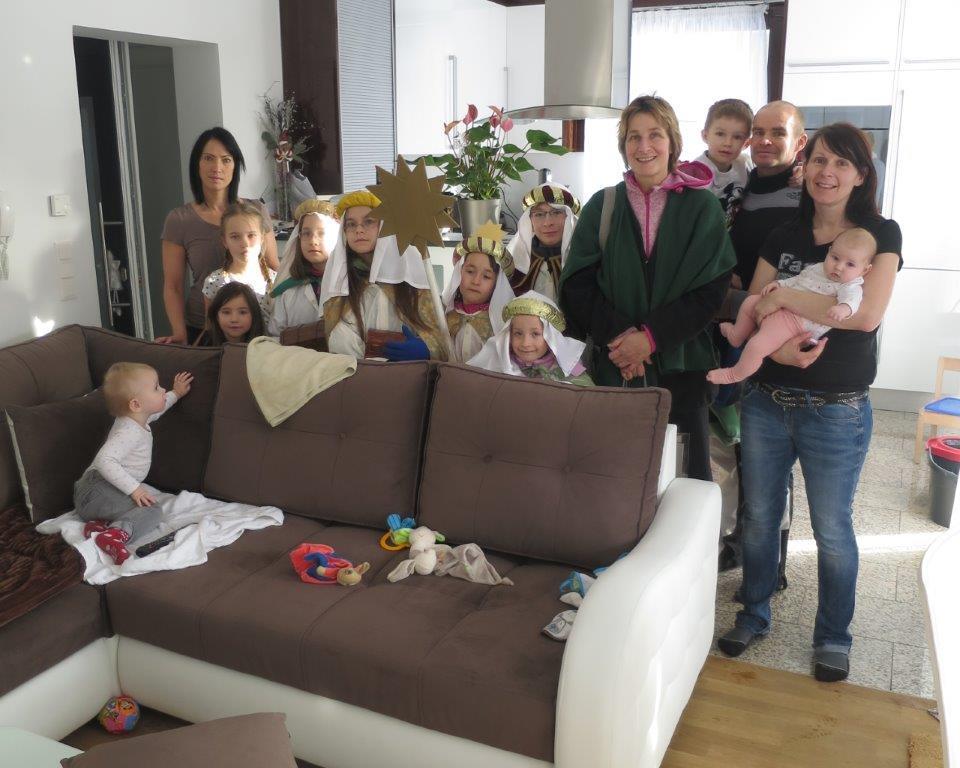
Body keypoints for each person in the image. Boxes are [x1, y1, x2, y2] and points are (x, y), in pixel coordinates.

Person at [717, 123, 903, 683]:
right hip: (767, 398)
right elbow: (756, 303)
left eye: (842, 163)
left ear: (861, 175)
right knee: (758, 517)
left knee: (832, 529)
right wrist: (779, 342)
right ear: (806, 166)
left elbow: (864, 315)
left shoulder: (879, 236)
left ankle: (833, 637)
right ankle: (754, 613)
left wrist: (789, 296)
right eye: (820, 160)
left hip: (837, 408)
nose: (828, 172)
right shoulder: (784, 232)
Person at [560, 95, 735, 481]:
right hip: (616, 367)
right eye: (633, 137)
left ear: (673, 142)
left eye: (655, 135)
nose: (644, 146)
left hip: (683, 370)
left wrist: (651, 339)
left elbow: (710, 290)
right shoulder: (603, 206)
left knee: (683, 483)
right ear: (623, 146)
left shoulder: (702, 208)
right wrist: (624, 339)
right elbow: (577, 285)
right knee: (614, 478)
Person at [707, 228, 876, 384]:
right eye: (835, 258)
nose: (838, 267)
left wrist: (843, 309)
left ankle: (734, 374)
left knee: (757, 345)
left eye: (850, 264)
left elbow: (852, 301)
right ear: (829, 251)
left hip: (796, 323)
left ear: (865, 270)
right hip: (782, 308)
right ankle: (737, 335)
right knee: (750, 302)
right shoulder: (818, 268)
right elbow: (798, 280)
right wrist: (779, 284)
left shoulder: (850, 286)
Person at [157, 127, 279, 344]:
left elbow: (273, 266)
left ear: (235, 165)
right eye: (208, 158)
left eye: (226, 160)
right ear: (197, 164)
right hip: (203, 328)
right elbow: (173, 286)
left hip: (258, 328)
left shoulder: (255, 211)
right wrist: (180, 334)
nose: (217, 167)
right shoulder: (179, 219)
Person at [75, 363, 194, 564]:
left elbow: (157, 409)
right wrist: (135, 490)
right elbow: (104, 460)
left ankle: (98, 524)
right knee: (151, 509)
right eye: (156, 388)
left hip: (94, 497)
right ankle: (115, 535)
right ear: (136, 405)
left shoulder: (137, 418)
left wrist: (176, 393)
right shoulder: (129, 431)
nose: (163, 390)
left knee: (139, 505)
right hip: (97, 488)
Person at [320, 190, 448, 361]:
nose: (359, 230)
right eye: (351, 224)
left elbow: (443, 341)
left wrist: (427, 349)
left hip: (409, 373)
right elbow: (332, 336)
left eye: (368, 222)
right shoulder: (339, 279)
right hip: (354, 372)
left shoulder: (410, 273)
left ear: (383, 226)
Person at [729, 101, 807, 291]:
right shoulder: (738, 183)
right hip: (723, 303)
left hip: (779, 305)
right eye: (758, 132)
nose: (765, 141)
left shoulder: (813, 195)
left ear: (800, 142)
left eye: (778, 133)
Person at [468, 291, 593, 386]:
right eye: (518, 333)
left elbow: (586, 391)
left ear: (550, 337)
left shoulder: (570, 363)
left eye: (535, 334)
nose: (526, 343)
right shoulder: (496, 361)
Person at [267, 199, 340, 336]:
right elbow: (275, 335)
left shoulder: (350, 284)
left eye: (322, 233)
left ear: (337, 237)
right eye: (306, 233)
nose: (313, 241)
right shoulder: (287, 291)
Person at [442, 234, 516, 363]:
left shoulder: (503, 324)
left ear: (497, 283)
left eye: (486, 276)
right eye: (470, 272)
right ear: (459, 272)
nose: (476, 281)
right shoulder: (445, 316)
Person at [507, 184, 581, 302]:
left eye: (556, 212)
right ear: (530, 221)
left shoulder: (584, 259)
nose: (548, 223)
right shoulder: (515, 261)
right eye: (539, 214)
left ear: (569, 218)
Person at [201, 201, 275, 310]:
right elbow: (210, 320)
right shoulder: (214, 282)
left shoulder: (276, 280)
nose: (245, 243)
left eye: (251, 235)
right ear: (225, 241)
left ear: (262, 238)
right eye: (235, 237)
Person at [696, 98, 754, 223]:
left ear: (746, 143)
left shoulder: (746, 163)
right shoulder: (695, 173)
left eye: (737, 137)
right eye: (720, 134)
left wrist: (796, 173)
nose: (728, 143)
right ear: (705, 136)